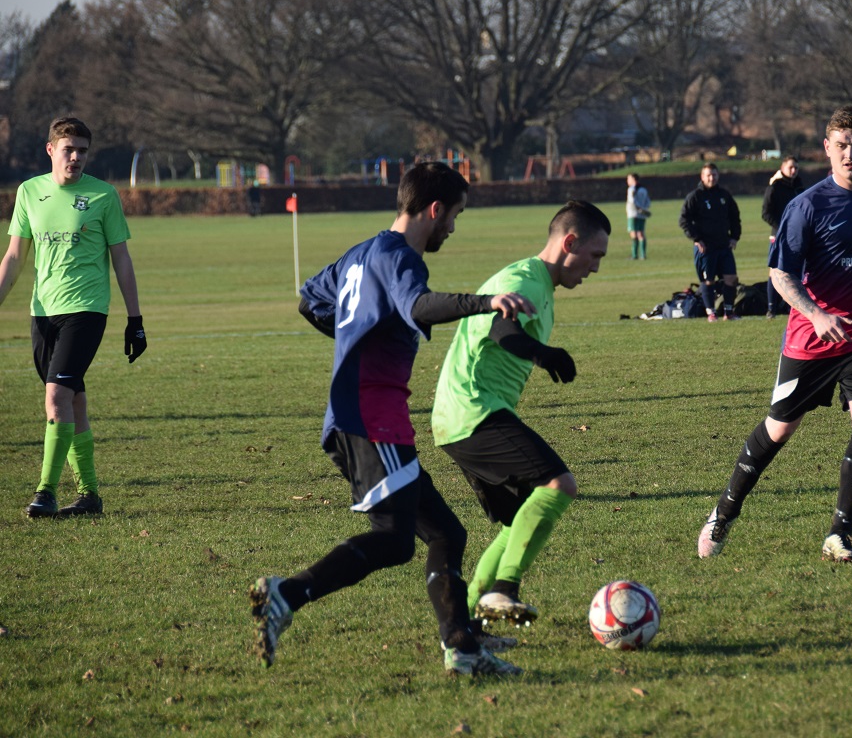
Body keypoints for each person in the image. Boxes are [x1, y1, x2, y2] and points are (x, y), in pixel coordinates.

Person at [250, 163, 533, 676]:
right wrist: (486, 302)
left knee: (447, 533)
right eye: (455, 216)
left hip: (368, 414)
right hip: (369, 416)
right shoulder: (401, 257)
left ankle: (462, 646)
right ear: (434, 209)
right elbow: (420, 306)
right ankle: (285, 594)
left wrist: (355, 333)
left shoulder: (364, 252)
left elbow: (310, 300)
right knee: (395, 539)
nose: (452, 228)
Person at [696, 106, 852, 563]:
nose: (850, 154)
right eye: (841, 146)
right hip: (813, 339)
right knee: (779, 429)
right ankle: (723, 511)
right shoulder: (807, 205)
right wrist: (817, 313)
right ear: (827, 148)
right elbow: (780, 274)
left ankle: (840, 534)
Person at [431, 200, 610, 627]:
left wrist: (540, 353)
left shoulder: (538, 285)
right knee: (558, 484)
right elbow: (502, 329)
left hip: (461, 418)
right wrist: (541, 353)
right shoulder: (523, 281)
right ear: (569, 242)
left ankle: (469, 620)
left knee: (519, 522)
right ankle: (503, 590)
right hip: (475, 411)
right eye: (595, 256)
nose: (596, 268)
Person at [0, 116, 146, 519]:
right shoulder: (30, 192)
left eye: (83, 150)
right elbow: (14, 257)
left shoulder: (103, 196)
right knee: (73, 401)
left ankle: (45, 491)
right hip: (42, 312)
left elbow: (122, 260)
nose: (77, 157)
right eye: (69, 149)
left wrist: (135, 319)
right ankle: (90, 496)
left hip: (86, 310)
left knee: (56, 396)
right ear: (51, 150)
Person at [679, 163, 741, 321]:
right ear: (702, 177)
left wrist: (734, 237)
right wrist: (696, 239)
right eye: (708, 175)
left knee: (731, 278)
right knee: (708, 281)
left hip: (724, 245)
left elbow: (735, 216)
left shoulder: (724, 195)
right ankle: (711, 312)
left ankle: (729, 311)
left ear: (718, 175)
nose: (711, 178)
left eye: (714, 174)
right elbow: (684, 220)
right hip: (706, 247)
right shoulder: (695, 196)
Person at [761, 156, 805, 318]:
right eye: (790, 168)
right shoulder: (775, 187)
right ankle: (771, 308)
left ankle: (792, 307)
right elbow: (766, 213)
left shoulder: (799, 187)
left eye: (796, 168)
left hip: (798, 236)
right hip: (779, 236)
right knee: (775, 272)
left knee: (796, 272)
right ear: (783, 168)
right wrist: (781, 228)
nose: (793, 171)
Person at [625, 173, 651, 260]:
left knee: (633, 233)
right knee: (641, 233)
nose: (627, 181)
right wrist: (644, 209)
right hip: (642, 214)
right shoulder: (643, 189)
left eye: (628, 179)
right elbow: (648, 202)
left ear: (633, 179)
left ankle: (634, 255)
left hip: (633, 213)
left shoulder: (632, 189)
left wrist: (638, 208)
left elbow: (632, 201)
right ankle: (643, 255)